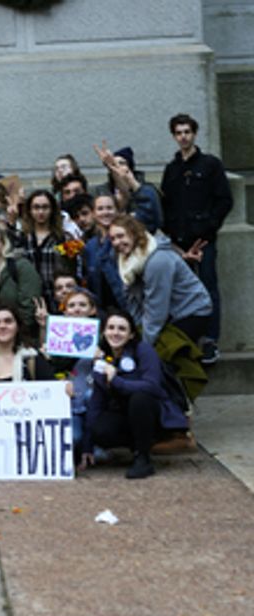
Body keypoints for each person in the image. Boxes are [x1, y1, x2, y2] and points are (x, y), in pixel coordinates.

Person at [160, 114, 232, 364]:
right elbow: (166, 205)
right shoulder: (171, 170)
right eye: (178, 132)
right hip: (179, 242)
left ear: (194, 134)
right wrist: (172, 237)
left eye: (187, 132)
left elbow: (224, 200)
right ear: (174, 136)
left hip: (204, 241)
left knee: (208, 287)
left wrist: (208, 229)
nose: (183, 137)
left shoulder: (210, 165)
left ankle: (210, 341)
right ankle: (187, 340)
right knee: (181, 291)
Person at [82, 311, 187, 479]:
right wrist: (87, 446)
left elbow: (152, 386)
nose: (115, 333)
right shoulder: (102, 359)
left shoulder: (143, 350)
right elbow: (97, 401)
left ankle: (143, 457)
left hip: (152, 408)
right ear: (104, 332)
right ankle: (136, 445)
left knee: (139, 398)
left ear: (131, 334)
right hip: (123, 412)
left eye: (122, 329)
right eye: (111, 328)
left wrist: (116, 380)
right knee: (99, 429)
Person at [110, 214, 213, 346]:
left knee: (164, 352)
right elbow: (132, 301)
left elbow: (156, 309)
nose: (117, 242)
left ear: (134, 234)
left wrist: (144, 347)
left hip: (190, 312)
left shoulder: (157, 260)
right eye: (112, 239)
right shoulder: (127, 262)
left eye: (121, 236)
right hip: (168, 314)